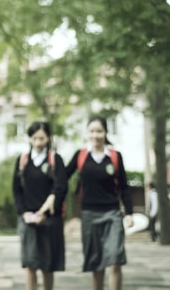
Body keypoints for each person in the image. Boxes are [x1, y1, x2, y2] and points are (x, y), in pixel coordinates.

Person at [64, 116, 133, 290]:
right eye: (92, 131)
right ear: (87, 133)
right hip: (89, 214)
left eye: (99, 131)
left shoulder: (115, 156)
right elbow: (63, 176)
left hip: (112, 213)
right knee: (96, 263)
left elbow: (124, 187)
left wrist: (129, 213)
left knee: (115, 260)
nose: (95, 135)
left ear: (106, 133)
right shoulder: (81, 156)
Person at [12, 121, 67, 290]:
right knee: (30, 264)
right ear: (29, 138)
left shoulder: (55, 160)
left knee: (47, 265)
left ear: (48, 138)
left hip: (49, 220)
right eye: (34, 138)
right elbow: (16, 189)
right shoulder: (23, 161)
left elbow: (61, 188)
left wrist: (46, 214)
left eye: (41, 138)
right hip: (28, 219)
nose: (37, 142)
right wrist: (24, 213)